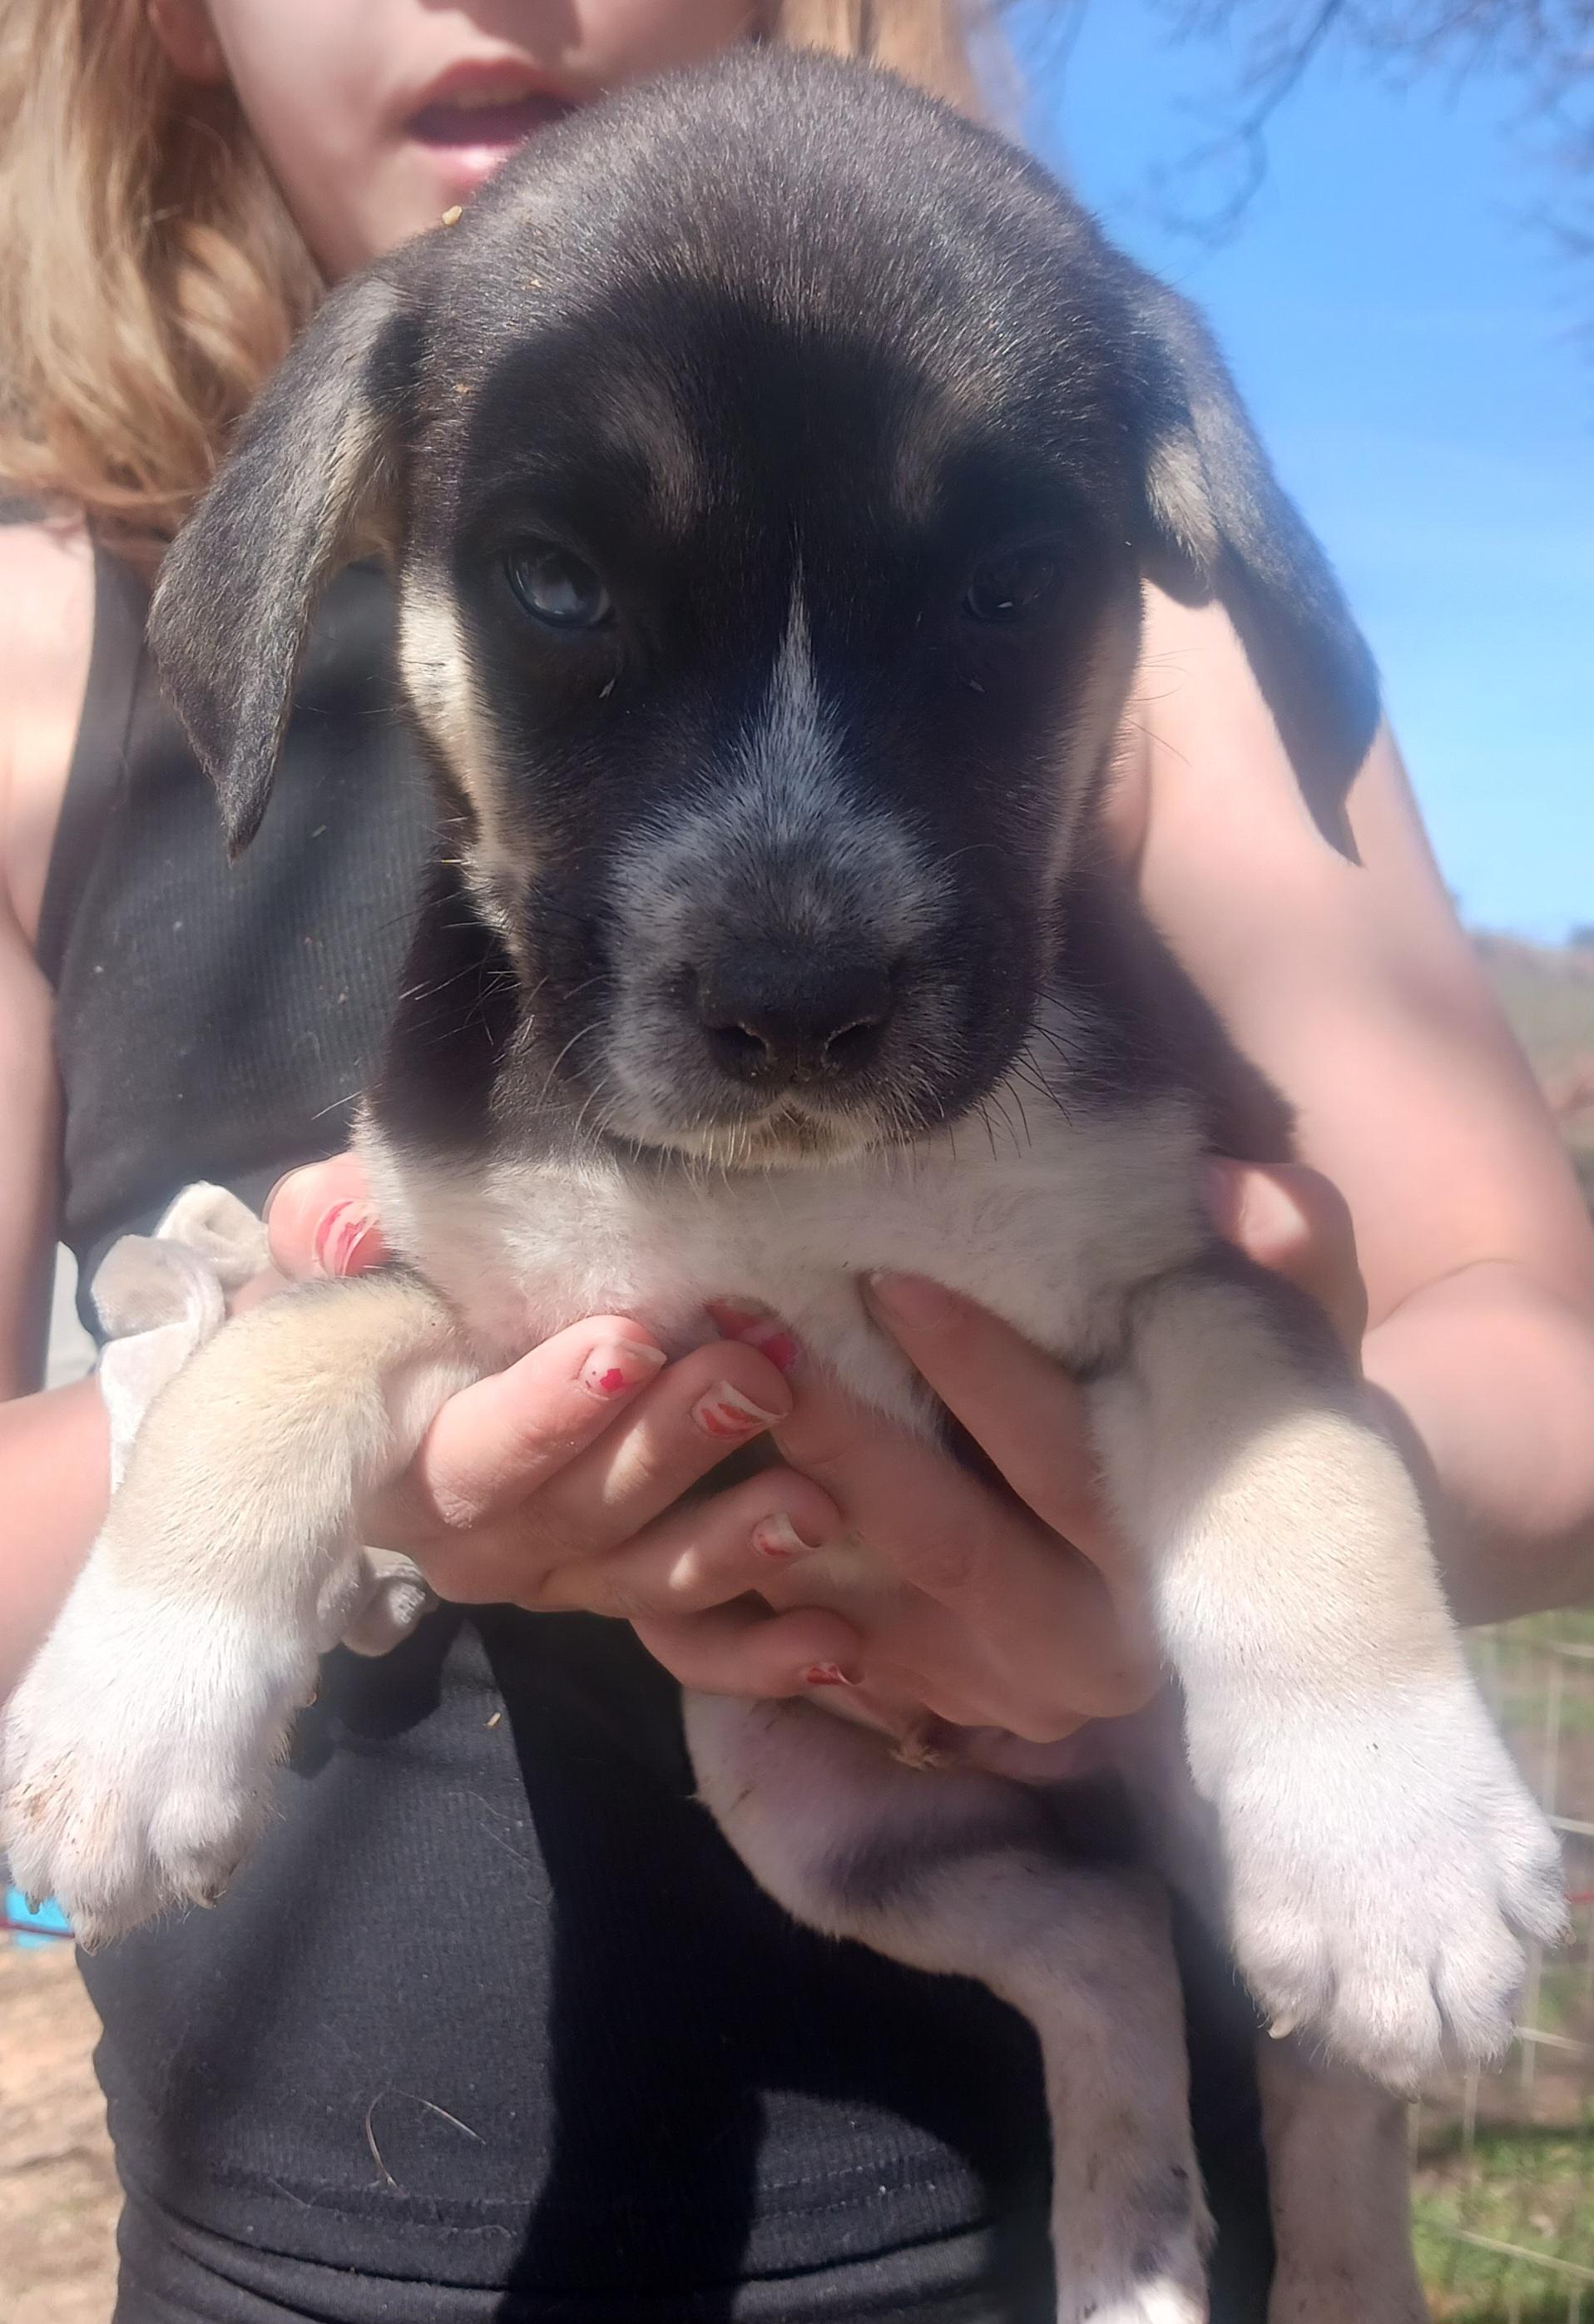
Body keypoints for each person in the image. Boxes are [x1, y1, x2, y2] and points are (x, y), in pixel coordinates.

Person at [3, 3, 1594, 2320]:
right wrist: (220, 1438)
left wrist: (1220, 1595)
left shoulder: (1084, 439)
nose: (788, 914)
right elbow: (380, 1304)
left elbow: (1478, 1345)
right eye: (559, 586)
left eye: (986, 600)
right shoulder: (36, 668)